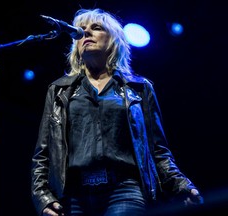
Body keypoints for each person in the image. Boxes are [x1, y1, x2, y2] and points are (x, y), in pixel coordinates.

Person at [31, 8, 204, 216]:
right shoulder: (59, 90)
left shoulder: (140, 89)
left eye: (96, 28)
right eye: (81, 29)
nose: (85, 33)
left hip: (124, 190)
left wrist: (181, 185)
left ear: (114, 41)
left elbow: (157, 150)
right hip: (73, 195)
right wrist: (43, 198)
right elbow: (43, 153)